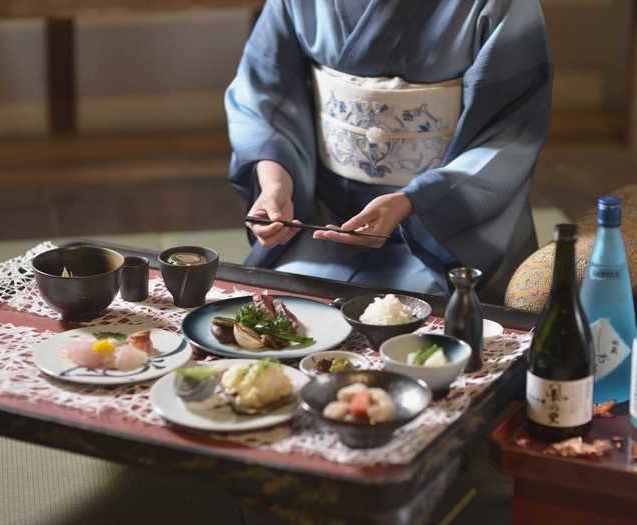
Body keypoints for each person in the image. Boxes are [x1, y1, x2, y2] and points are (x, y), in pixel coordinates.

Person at [225, 0, 552, 302]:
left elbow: (509, 132)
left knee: (426, 324)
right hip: (322, 223)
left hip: (441, 232)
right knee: (285, 308)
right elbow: (264, 91)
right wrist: (275, 184)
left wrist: (412, 202)